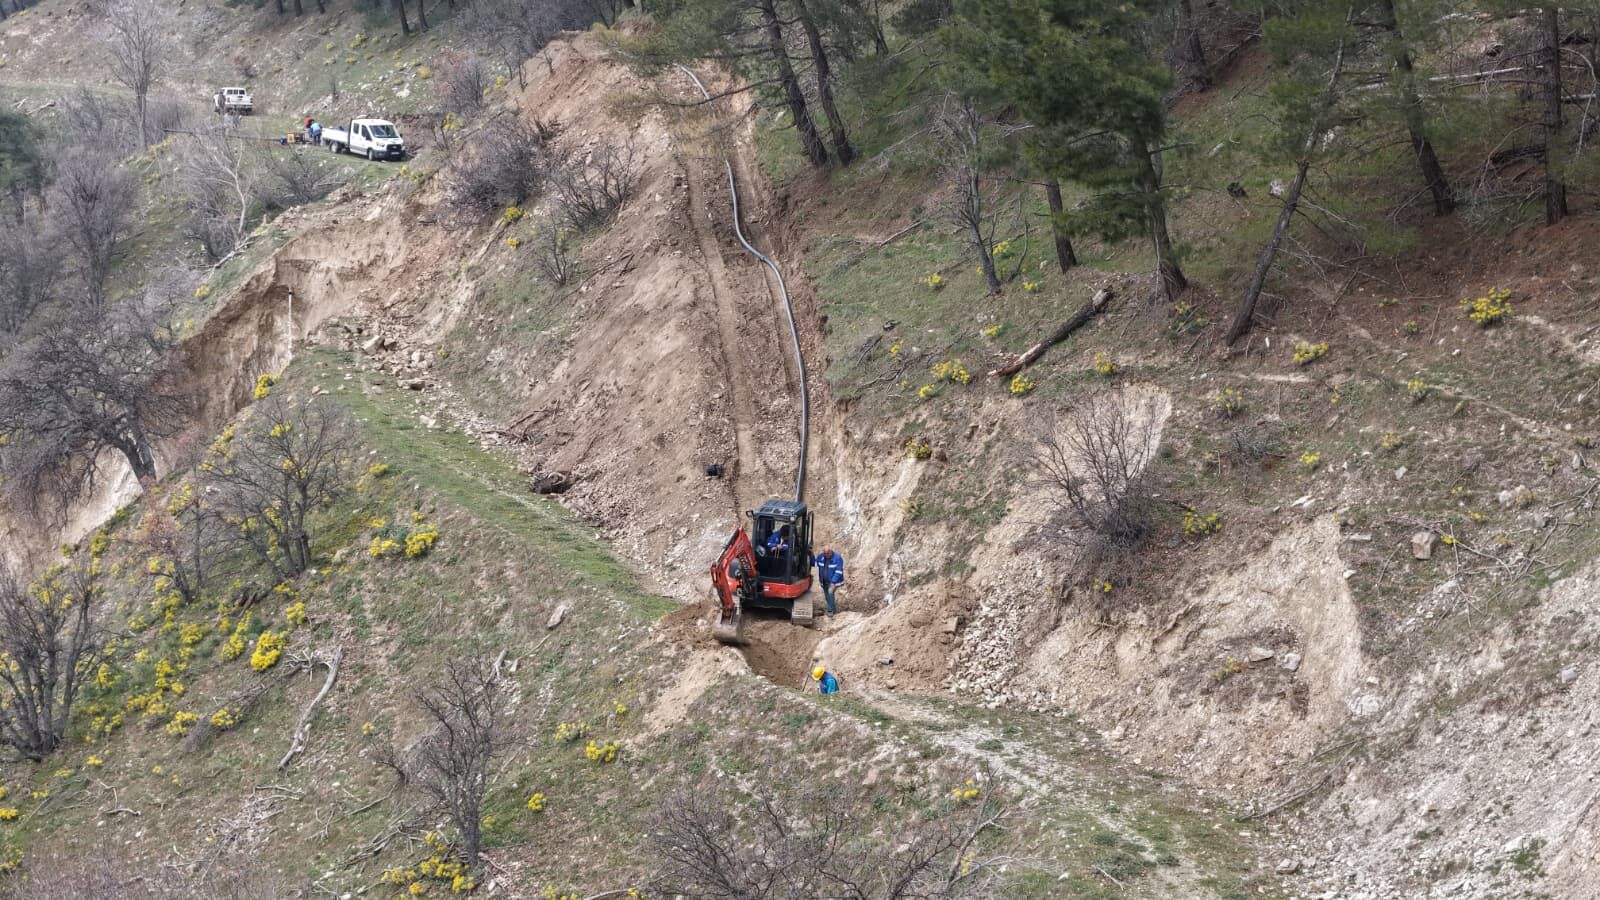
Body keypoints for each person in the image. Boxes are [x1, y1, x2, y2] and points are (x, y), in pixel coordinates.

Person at [813, 545, 844, 617]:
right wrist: (811, 554)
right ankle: (831, 608)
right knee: (827, 596)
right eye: (825, 553)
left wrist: (833, 582)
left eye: (828, 553)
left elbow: (839, 571)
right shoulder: (821, 556)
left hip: (834, 581)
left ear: (831, 552)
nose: (826, 555)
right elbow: (814, 563)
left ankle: (832, 611)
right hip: (824, 581)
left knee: (830, 592)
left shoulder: (838, 558)